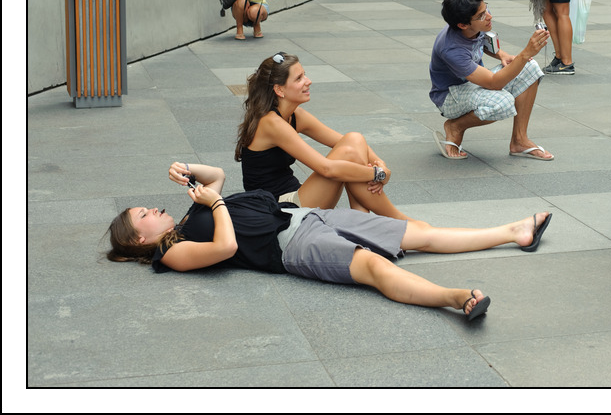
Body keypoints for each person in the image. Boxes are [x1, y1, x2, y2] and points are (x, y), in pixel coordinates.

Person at [105, 162, 553, 320]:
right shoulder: (170, 253)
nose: (153, 209)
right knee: (374, 267)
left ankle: (512, 231)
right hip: (293, 248)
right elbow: (225, 248)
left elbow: (217, 175)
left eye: (147, 207)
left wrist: (188, 170)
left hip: (305, 215)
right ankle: (455, 298)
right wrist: (216, 203)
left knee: (420, 234)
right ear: (138, 238)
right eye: (144, 215)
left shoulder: (189, 215)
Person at [236, 52, 410, 220]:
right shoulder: (271, 123)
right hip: (278, 210)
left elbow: (352, 142)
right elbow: (327, 169)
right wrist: (376, 174)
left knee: (354, 139)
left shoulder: (295, 115)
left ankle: (362, 220)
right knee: (348, 155)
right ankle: (396, 219)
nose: (308, 81)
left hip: (297, 195)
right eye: (299, 78)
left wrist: (381, 164)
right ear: (279, 89)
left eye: (305, 75)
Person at [429, 0, 553, 161]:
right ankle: (455, 126)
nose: (489, 16)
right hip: (450, 96)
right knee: (502, 103)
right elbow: (494, 83)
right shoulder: (451, 49)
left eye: (486, 8)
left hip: (473, 83)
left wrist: (501, 54)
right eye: (481, 15)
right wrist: (525, 53)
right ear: (463, 25)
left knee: (529, 67)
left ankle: (519, 140)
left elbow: (483, 41)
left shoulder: (475, 21)